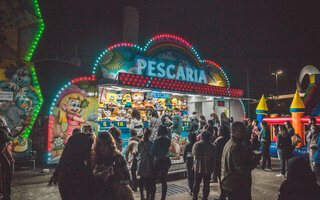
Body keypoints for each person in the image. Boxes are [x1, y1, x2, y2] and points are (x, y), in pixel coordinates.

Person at [49, 131, 95, 200]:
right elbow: (89, 192)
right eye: (89, 148)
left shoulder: (67, 165)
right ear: (80, 149)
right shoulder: (75, 170)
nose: (91, 151)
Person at [221, 122, 260, 200]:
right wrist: (255, 161)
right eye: (241, 131)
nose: (244, 133)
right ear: (233, 132)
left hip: (231, 183)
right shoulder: (235, 146)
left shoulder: (231, 143)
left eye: (244, 130)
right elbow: (241, 168)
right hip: (236, 185)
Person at [92, 131, 133, 200]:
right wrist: (100, 175)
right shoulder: (94, 159)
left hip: (116, 194)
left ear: (110, 145)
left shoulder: (118, 158)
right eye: (99, 144)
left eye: (104, 144)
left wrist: (114, 175)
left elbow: (127, 179)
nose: (101, 147)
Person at [192, 131, 216, 200]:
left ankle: (195, 197)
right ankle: (205, 198)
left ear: (201, 137)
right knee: (206, 184)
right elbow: (213, 157)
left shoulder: (197, 145)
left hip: (198, 168)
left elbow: (194, 154)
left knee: (196, 184)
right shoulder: (213, 146)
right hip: (208, 169)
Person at [150, 125, 171, 200]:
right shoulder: (168, 139)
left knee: (153, 180)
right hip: (166, 161)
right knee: (164, 180)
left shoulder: (157, 140)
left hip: (158, 161)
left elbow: (152, 152)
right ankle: (163, 197)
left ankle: (152, 196)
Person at [137, 128, 153, 200]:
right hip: (149, 163)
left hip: (142, 162)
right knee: (148, 181)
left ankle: (142, 196)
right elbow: (152, 153)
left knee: (141, 180)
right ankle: (148, 196)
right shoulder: (151, 143)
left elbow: (139, 151)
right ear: (150, 135)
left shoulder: (140, 142)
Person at [213, 126, 229, 200]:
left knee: (221, 180)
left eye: (219, 130)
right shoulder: (227, 140)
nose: (217, 131)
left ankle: (222, 196)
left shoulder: (219, 141)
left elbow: (216, 152)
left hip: (219, 162)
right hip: (225, 162)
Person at [0, 125, 14, 200]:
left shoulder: (4, 135)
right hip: (0, 154)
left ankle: (5, 192)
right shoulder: (3, 134)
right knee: (8, 170)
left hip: (1, 154)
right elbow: (11, 138)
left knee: (7, 170)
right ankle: (5, 193)